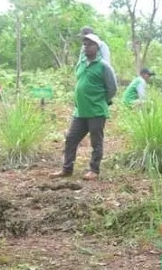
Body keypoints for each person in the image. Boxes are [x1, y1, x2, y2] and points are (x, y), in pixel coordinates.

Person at [49, 33, 117, 181]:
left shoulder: (104, 66)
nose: (86, 47)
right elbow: (79, 82)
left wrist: (101, 100)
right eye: (85, 44)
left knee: (96, 142)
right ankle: (67, 169)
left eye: (90, 44)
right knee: (71, 139)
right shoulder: (81, 63)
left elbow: (112, 88)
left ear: (97, 47)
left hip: (96, 111)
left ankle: (94, 170)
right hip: (80, 111)